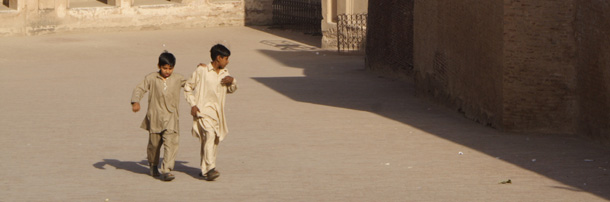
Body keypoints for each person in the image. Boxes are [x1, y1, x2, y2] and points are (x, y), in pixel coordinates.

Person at [184, 44, 237, 181]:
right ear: (218, 58)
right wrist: (193, 104)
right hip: (202, 111)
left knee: (212, 141)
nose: (227, 61)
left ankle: (204, 169)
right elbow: (188, 87)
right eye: (226, 58)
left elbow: (231, 89)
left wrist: (232, 81)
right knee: (209, 135)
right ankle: (211, 168)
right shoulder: (202, 71)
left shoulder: (225, 73)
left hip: (217, 114)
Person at [131, 51, 186, 181]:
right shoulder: (151, 78)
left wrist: (201, 71)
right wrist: (135, 101)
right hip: (155, 117)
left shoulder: (178, 78)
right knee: (154, 145)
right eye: (164, 68)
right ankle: (153, 164)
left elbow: (192, 84)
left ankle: (167, 170)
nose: (167, 71)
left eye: (170, 68)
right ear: (159, 66)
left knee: (171, 143)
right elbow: (139, 89)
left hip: (171, 117)